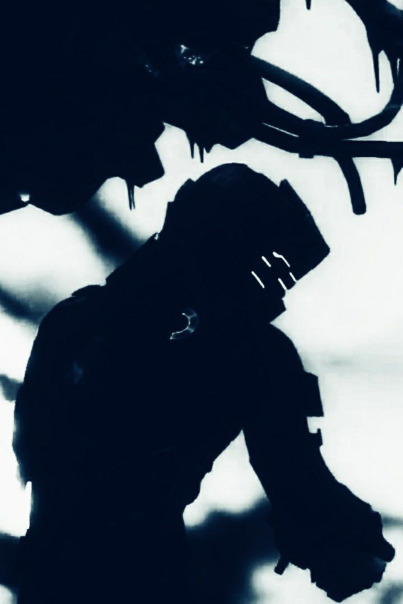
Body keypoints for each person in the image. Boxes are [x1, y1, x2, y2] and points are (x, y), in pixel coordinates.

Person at [13, 164, 394, 603]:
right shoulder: (253, 354)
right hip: (142, 577)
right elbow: (297, 481)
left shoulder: (74, 318)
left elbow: (36, 450)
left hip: (52, 573)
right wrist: (346, 541)